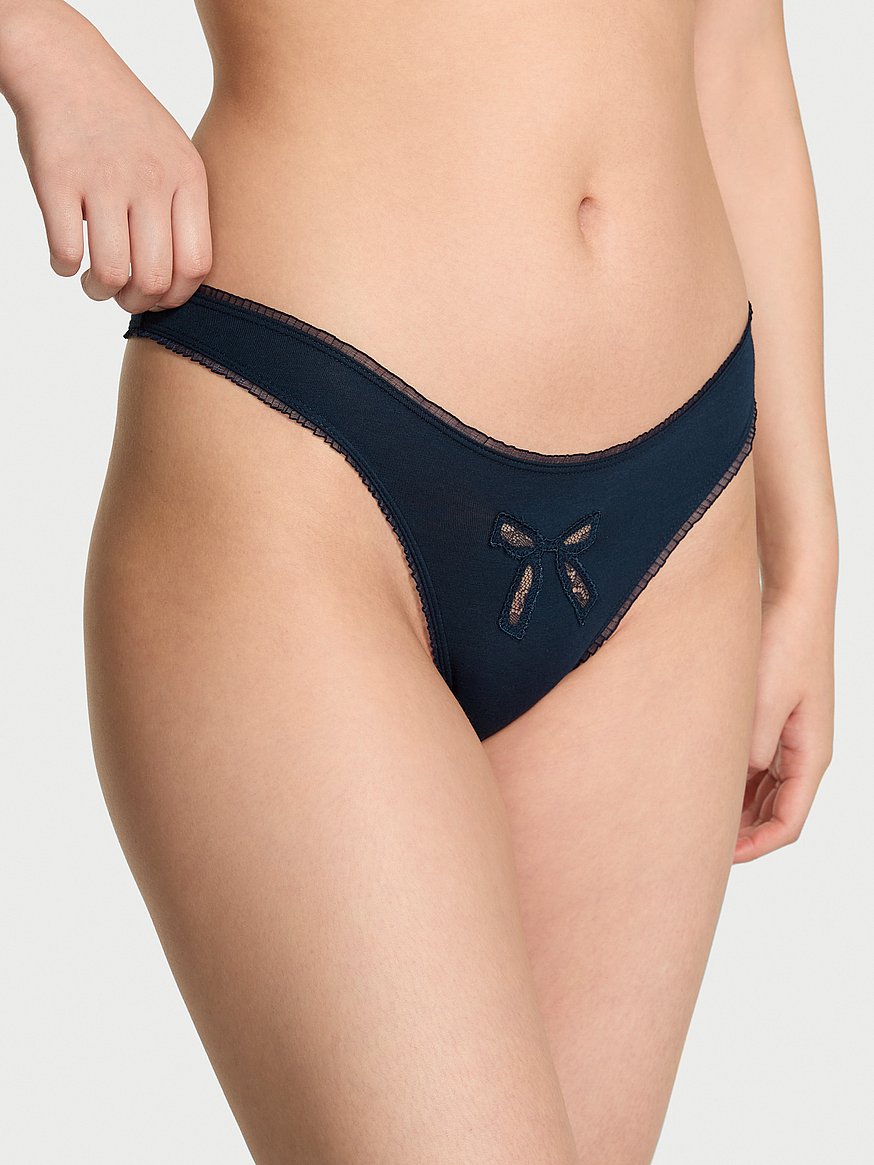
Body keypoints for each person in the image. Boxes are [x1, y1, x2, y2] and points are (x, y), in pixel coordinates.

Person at [0, 1, 838, 1162]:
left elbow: (737, 54)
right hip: (306, 455)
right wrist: (42, 46)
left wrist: (807, 558)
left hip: (677, 518)